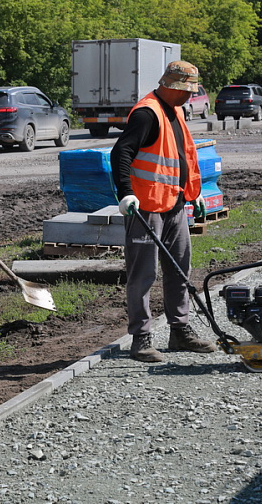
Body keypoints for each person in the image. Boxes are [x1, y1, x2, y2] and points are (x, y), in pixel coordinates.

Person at [110, 61, 217, 362]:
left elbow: (178, 156)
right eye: (187, 91)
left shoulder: (176, 111)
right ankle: (141, 338)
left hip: (174, 204)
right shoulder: (147, 114)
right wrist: (126, 193)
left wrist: (190, 193)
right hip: (146, 209)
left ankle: (179, 331)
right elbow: (121, 153)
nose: (189, 97)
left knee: (180, 269)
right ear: (172, 86)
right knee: (143, 275)